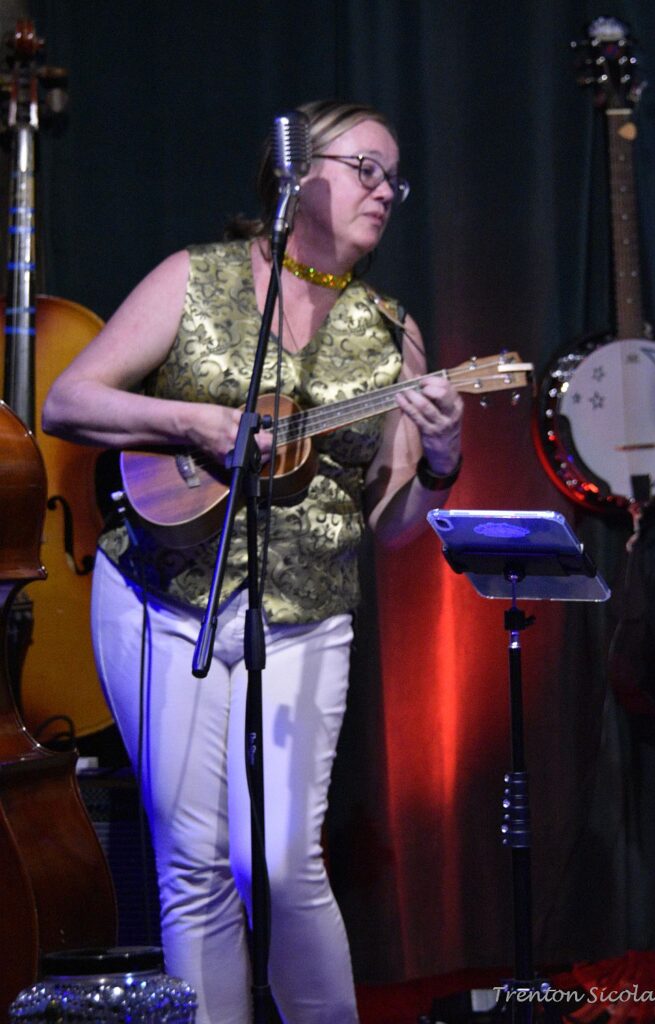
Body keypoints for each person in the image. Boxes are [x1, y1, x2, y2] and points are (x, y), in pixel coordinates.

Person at [42, 99, 464, 1024]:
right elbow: (69, 402)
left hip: (306, 615)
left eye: (394, 178)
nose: (385, 191)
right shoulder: (200, 279)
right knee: (189, 864)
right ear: (295, 173)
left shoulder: (392, 334)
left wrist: (438, 463)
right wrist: (192, 421)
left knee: (278, 858)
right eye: (365, 168)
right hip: (161, 599)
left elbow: (393, 529)